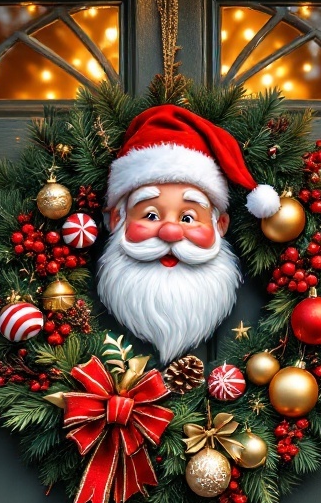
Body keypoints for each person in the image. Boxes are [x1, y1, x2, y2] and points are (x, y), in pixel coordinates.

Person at [98, 105, 279, 362]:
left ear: (220, 225)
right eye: (151, 215)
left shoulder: (259, 310)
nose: (170, 232)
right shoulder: (77, 307)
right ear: (118, 219)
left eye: (188, 218)